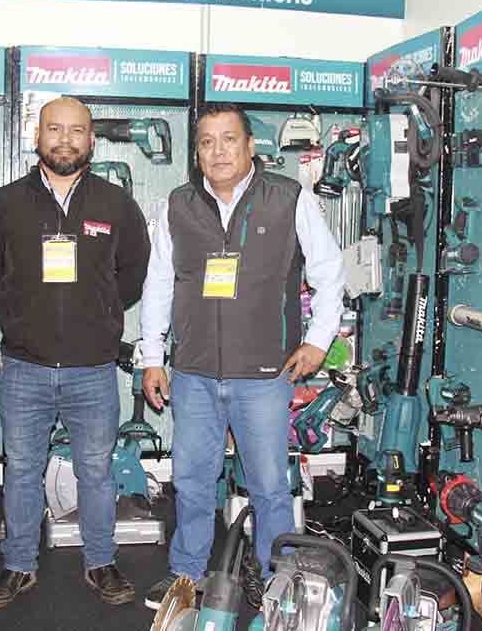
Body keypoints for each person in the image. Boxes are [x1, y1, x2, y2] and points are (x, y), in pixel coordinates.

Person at [139, 103, 346, 609]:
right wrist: (153, 356)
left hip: (264, 374)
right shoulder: (179, 205)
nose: (218, 151)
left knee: (270, 485)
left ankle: (278, 579)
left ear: (250, 145)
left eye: (229, 139)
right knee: (191, 481)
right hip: (193, 373)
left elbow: (329, 270)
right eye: (207, 142)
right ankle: (186, 574)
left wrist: (319, 340)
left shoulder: (288, 198)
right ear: (197, 153)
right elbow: (159, 283)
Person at [0, 96, 151, 610]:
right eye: (54, 129)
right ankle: (18, 565)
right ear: (38, 136)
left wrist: (101, 310)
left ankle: (100, 561)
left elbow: (134, 272)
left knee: (96, 471)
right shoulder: (6, 202)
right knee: (22, 470)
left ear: (91, 140)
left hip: (92, 369)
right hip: (24, 366)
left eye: (75, 130)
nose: (65, 139)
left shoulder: (116, 204)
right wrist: (20, 306)